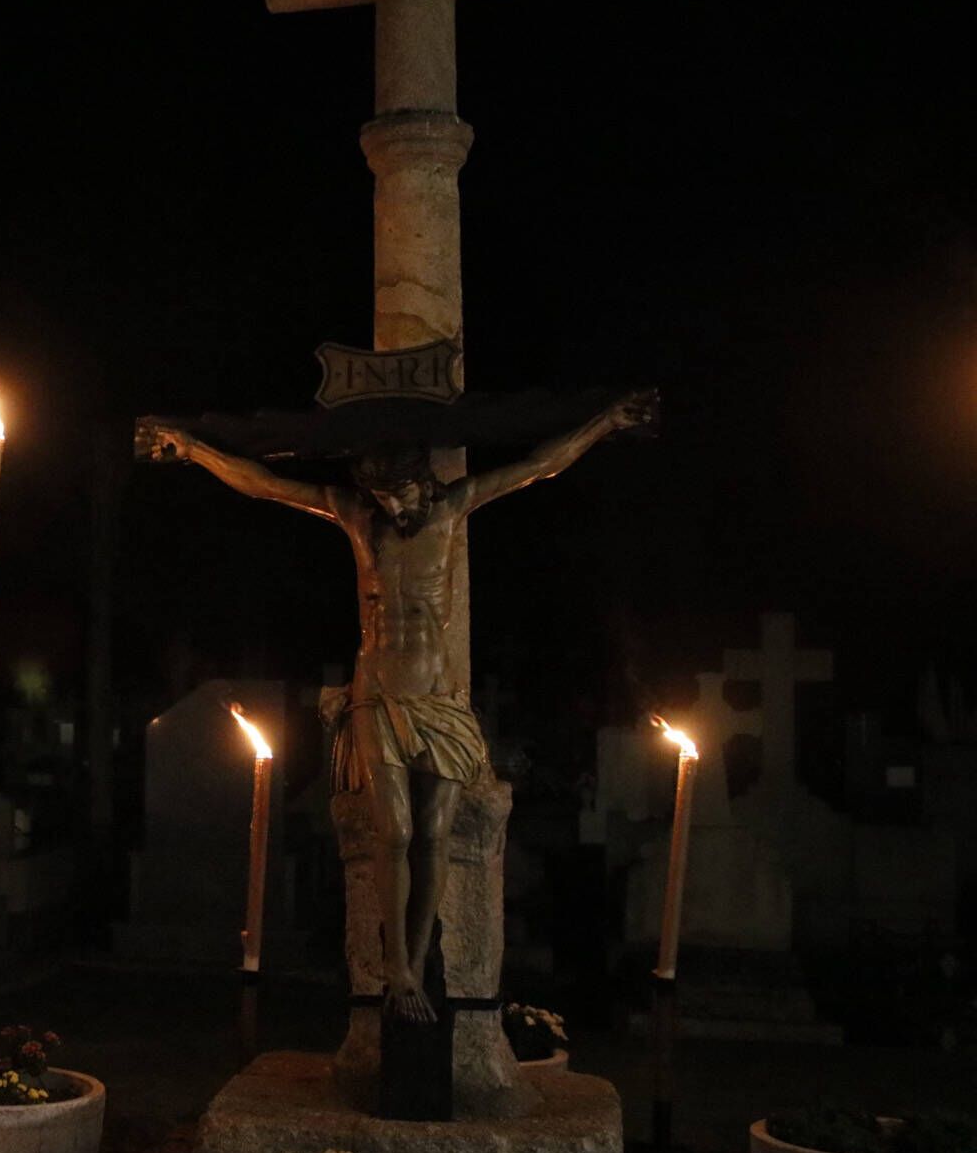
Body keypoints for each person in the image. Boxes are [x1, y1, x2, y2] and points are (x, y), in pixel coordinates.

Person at [139, 390, 655, 1021]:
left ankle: (416, 952)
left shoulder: (452, 508)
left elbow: (539, 466)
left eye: (401, 495)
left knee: (434, 835)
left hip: (438, 702)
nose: (392, 508)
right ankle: (399, 969)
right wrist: (192, 450)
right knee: (395, 831)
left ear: (423, 484)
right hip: (377, 697)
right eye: (382, 497)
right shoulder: (358, 518)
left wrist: (603, 421)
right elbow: (266, 484)